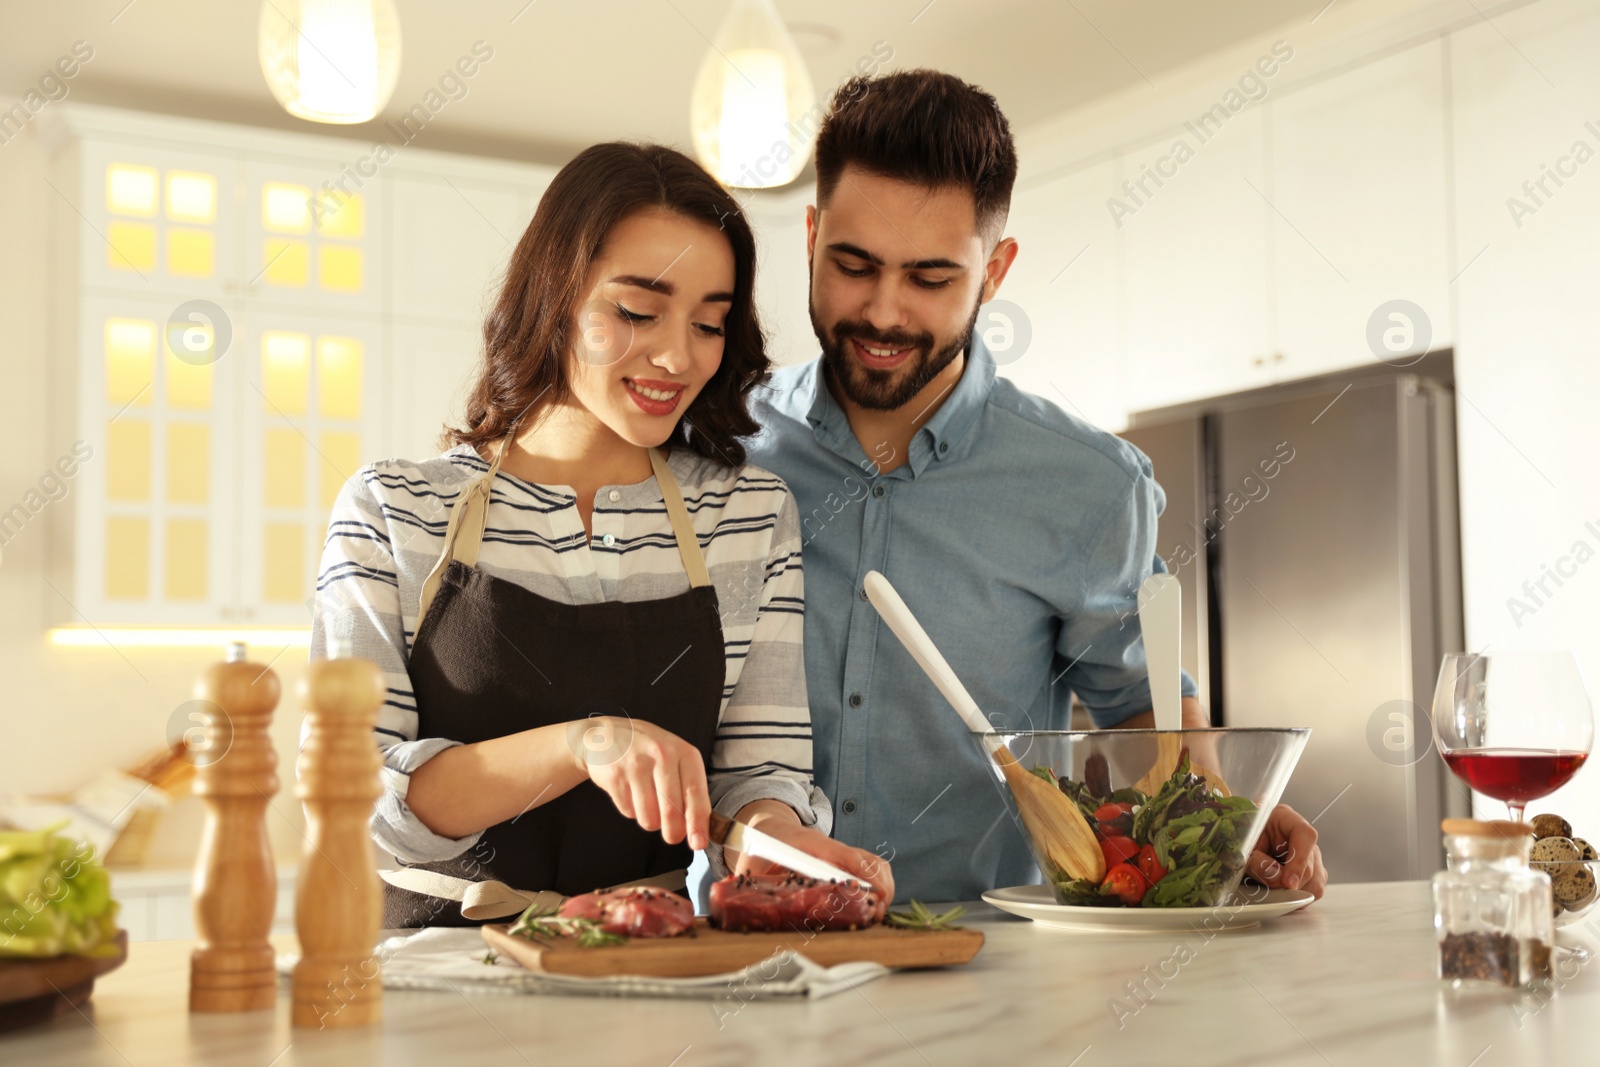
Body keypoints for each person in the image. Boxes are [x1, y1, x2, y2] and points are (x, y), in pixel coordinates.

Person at [741, 70, 1328, 903]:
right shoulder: (720, 448)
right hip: (740, 944)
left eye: (931, 278)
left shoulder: (1089, 485)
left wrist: (1227, 810)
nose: (882, 311)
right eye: (853, 264)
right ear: (809, 236)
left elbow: (1142, 704)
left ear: (996, 270)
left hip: (985, 966)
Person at [310, 142, 892, 928]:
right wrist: (582, 743)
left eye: (710, 322)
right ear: (554, 295)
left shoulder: (748, 515)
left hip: (642, 971)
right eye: (636, 312)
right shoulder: (395, 510)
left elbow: (760, 774)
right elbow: (356, 796)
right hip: (428, 978)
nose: (677, 355)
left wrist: (781, 846)